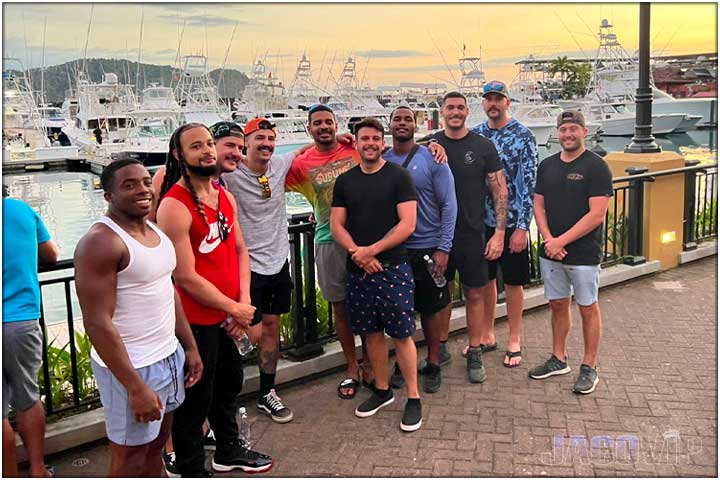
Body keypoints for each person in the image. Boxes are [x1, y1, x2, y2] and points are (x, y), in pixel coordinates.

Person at [74, 159, 203, 477]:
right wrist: (134, 386)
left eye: (145, 182)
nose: (142, 189)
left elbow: (167, 292)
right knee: (130, 456)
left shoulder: (154, 231)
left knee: (157, 445)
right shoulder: (101, 242)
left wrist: (188, 346)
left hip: (167, 357)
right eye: (129, 185)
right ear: (108, 195)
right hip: (131, 367)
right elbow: (97, 322)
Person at [156, 123, 272, 476]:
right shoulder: (174, 206)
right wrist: (233, 308)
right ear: (179, 155)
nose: (207, 150)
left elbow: (239, 250)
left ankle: (228, 449)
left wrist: (242, 303)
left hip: (227, 315)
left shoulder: (224, 196)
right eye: (196, 146)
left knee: (228, 385)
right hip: (195, 320)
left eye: (209, 143)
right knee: (195, 400)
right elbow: (185, 276)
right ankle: (191, 468)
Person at [330, 117, 423, 432]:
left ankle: (412, 397)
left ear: (382, 142)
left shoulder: (399, 177)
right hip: (360, 271)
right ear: (355, 143)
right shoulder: (345, 181)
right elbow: (336, 226)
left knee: (402, 334)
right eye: (363, 139)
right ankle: (382, 390)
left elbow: (407, 224)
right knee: (370, 334)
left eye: (374, 138)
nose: (369, 143)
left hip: (393, 268)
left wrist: (374, 250)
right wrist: (359, 252)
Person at [223, 118, 311, 424]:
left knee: (272, 329)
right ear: (246, 142)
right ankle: (223, 401)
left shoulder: (279, 165)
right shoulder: (230, 174)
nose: (267, 144)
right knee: (247, 333)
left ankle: (266, 393)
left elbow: (304, 151)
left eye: (271, 139)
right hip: (246, 268)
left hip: (278, 262)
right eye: (260, 138)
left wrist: (341, 138)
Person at [426, 91, 509, 384]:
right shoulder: (430, 144)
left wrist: (499, 233)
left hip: (473, 234)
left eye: (461, 107)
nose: (455, 112)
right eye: (450, 107)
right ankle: (442, 347)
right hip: (437, 237)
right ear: (442, 110)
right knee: (441, 294)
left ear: (466, 111)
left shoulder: (482, 146)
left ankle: (475, 350)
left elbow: (500, 190)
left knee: (474, 293)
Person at [529, 110, 613, 395]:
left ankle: (589, 366)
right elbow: (538, 206)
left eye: (574, 129)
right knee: (557, 305)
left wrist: (560, 241)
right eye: (564, 129)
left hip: (583, 254)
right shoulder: (547, 165)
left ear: (584, 132)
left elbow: (597, 215)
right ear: (558, 132)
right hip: (551, 252)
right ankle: (558, 358)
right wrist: (550, 240)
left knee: (588, 307)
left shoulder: (597, 167)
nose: (568, 134)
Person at [382, 106, 457, 394]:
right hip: (396, 248)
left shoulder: (433, 159)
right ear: (389, 125)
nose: (402, 123)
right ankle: (404, 362)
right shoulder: (382, 158)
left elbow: (449, 204)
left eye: (407, 119)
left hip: (427, 246)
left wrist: (444, 246)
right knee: (401, 310)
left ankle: (434, 362)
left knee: (431, 310)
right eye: (397, 119)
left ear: (416, 125)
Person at [469, 80, 538, 368]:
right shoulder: (476, 135)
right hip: (481, 221)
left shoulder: (523, 136)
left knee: (513, 282)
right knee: (485, 280)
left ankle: (514, 338)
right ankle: (486, 333)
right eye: (489, 99)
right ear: (483, 104)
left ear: (507, 103)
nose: (494, 104)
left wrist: (522, 226)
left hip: (513, 224)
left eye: (499, 98)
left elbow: (529, 183)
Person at [2, 191, 58, 478]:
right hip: (21, 319)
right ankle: (38, 469)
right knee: (28, 397)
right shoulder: (20, 210)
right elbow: (50, 254)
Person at [150, 121, 244, 222]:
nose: (237, 153)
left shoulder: (222, 187)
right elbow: (148, 223)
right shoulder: (166, 175)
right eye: (230, 145)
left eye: (240, 148)